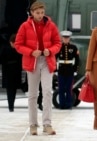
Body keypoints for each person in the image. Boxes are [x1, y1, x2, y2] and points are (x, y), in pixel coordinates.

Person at [15, 1, 61, 135]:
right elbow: (18, 44)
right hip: (32, 61)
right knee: (33, 94)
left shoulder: (51, 25)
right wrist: (30, 52)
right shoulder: (25, 26)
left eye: (42, 13)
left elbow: (57, 43)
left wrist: (50, 50)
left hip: (47, 61)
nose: (40, 15)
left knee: (47, 92)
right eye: (37, 13)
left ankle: (47, 124)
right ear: (32, 13)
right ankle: (33, 124)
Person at [56, 30, 79, 109]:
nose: (66, 39)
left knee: (69, 89)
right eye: (64, 38)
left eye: (67, 38)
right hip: (61, 69)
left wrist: (75, 69)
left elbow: (77, 59)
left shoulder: (73, 47)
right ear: (62, 38)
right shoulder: (58, 47)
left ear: (69, 38)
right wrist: (55, 70)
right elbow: (55, 58)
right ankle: (62, 105)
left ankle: (68, 104)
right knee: (61, 89)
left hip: (70, 69)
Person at [0, 34, 22, 112]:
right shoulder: (5, 49)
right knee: (9, 90)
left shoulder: (19, 50)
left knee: (14, 89)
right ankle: (11, 106)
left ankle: (12, 104)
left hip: (16, 72)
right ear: (11, 42)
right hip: (8, 72)